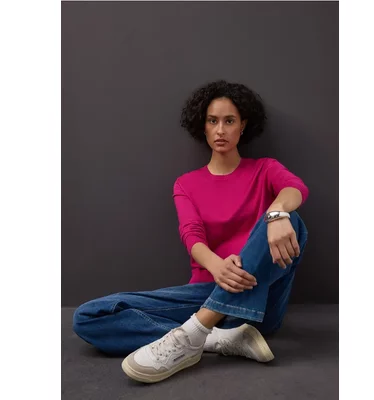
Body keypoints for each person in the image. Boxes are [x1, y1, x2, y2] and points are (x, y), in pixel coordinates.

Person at [73, 79, 309, 384]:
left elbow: (295, 188)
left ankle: (196, 331)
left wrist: (276, 213)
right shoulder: (187, 184)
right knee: (89, 316)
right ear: (203, 126)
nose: (220, 130)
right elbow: (192, 235)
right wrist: (218, 267)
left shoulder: (264, 169)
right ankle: (215, 337)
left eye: (229, 121)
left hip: (259, 298)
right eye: (213, 121)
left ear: (243, 126)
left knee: (292, 221)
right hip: (205, 292)